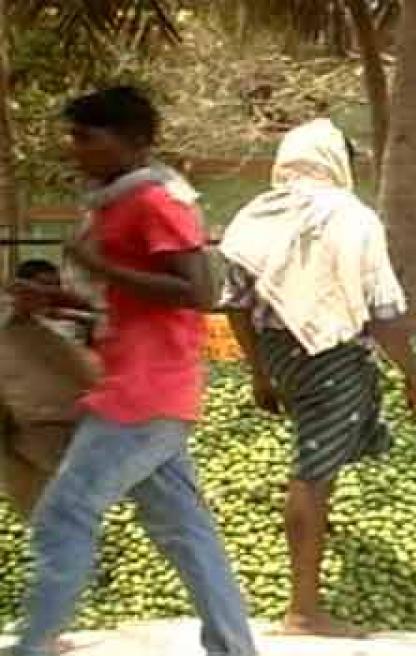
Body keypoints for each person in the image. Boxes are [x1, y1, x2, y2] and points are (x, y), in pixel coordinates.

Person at [1, 86, 257, 656]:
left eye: (87, 137)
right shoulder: (116, 202)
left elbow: (198, 290)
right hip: (143, 390)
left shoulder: (155, 201)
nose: (75, 149)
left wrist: (99, 264)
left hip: (142, 397)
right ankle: (234, 648)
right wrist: (57, 303)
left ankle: (33, 645)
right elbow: (130, 305)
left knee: (63, 514)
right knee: (188, 536)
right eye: (73, 136)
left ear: (133, 141)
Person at [218, 118, 416, 639]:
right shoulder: (351, 217)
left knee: (317, 462)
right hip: (331, 355)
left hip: (280, 353)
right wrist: (414, 375)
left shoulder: (256, 214)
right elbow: (381, 312)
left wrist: (260, 372)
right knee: (313, 470)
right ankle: (304, 610)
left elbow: (236, 305)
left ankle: (306, 595)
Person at [0, 260, 100, 522]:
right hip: (30, 430)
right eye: (43, 287)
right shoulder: (11, 328)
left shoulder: (72, 324)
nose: (49, 294)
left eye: (55, 287)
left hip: (75, 425)